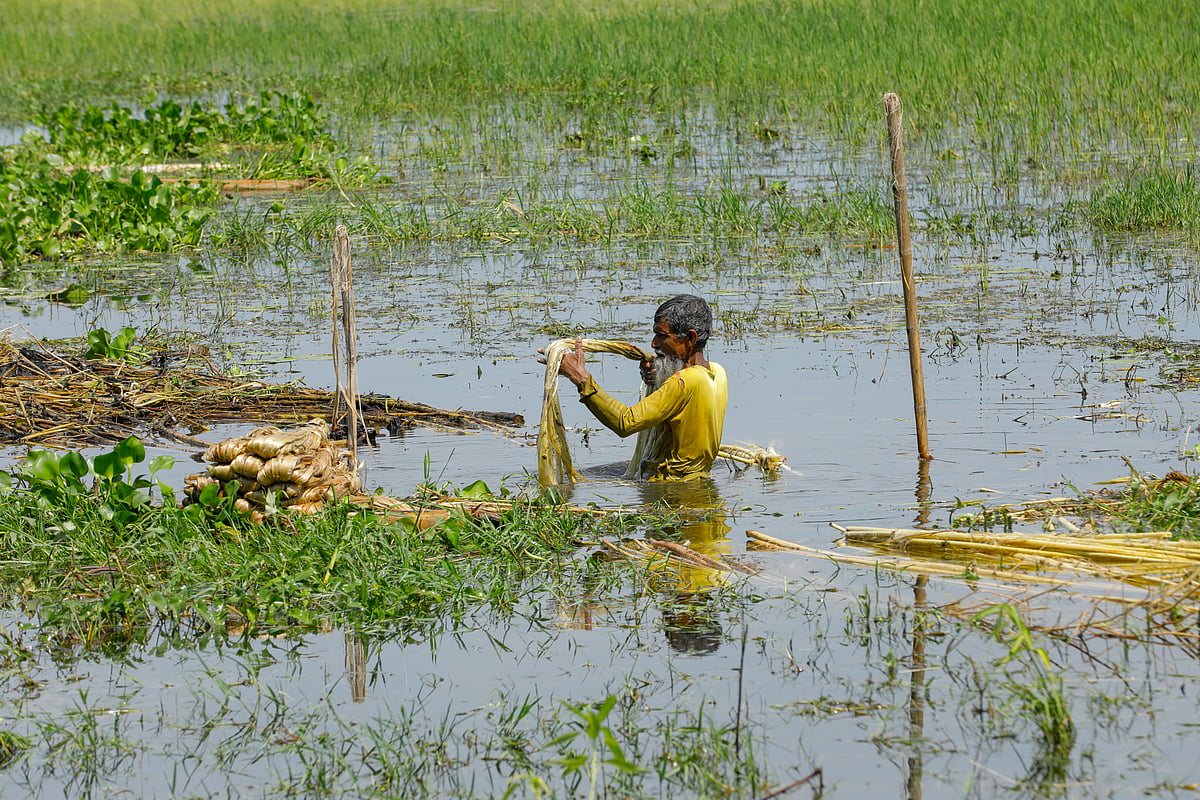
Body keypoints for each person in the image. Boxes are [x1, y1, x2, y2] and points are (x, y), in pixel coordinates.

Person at [541, 294, 728, 480]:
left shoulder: (683, 382)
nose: (654, 343)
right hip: (697, 487)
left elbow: (625, 423)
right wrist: (659, 377)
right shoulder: (717, 373)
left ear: (690, 338)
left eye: (662, 336)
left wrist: (580, 377)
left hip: (668, 495)